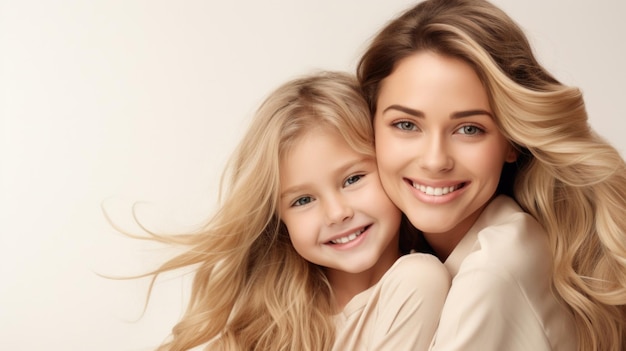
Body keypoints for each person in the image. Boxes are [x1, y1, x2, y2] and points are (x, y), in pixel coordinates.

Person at [356, 0, 626, 350]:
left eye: (469, 129)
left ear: (510, 141)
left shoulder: (490, 274)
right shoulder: (500, 245)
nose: (435, 160)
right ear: (369, 128)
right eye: (406, 125)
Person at [130, 71, 450, 350]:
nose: (337, 213)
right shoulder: (270, 322)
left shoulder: (417, 280)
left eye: (353, 179)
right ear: (278, 221)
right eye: (302, 200)